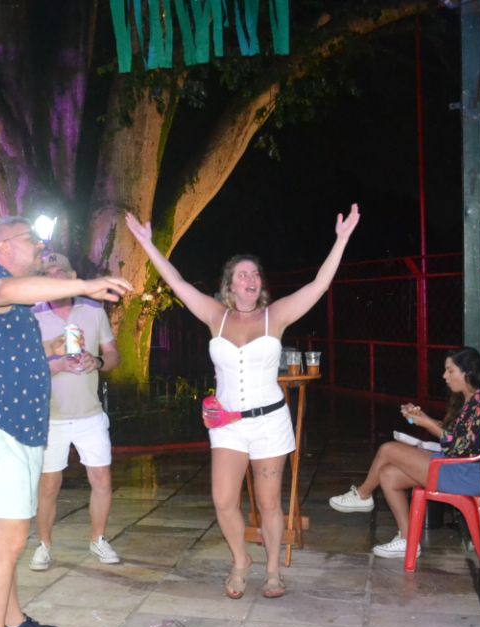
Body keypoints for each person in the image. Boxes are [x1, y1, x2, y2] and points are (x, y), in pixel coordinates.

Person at [125, 205, 361, 599]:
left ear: (259, 284)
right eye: (241, 275)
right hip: (228, 425)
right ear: (230, 285)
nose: (249, 279)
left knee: (268, 503)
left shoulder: (275, 316)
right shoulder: (215, 315)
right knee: (222, 500)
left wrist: (342, 239)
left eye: (254, 274)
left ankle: (272, 571)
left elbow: (319, 285)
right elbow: (177, 282)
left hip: (269, 423)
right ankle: (240, 561)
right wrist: (148, 245)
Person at [0, 216, 132, 627]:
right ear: (4, 246)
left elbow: (18, 358)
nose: (40, 246)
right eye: (32, 240)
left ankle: (12, 622)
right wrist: (88, 284)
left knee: (1, 536)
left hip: (17, 430)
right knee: (10, 540)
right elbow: (8, 291)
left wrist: (52, 351)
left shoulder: (12, 307)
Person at [328, 346, 480, 558]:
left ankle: (363, 495)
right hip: (457, 467)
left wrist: (426, 423)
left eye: (450, 371)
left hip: (466, 474)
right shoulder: (472, 399)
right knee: (388, 474)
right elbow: (456, 437)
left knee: (388, 449)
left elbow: (459, 446)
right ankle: (407, 541)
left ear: (467, 372)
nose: (444, 376)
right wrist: (422, 417)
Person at [29, 252, 123, 571]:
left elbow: (113, 354)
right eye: (47, 273)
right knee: (48, 486)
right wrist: (57, 366)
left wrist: (97, 361)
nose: (53, 277)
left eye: (59, 272)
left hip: (89, 414)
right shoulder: (33, 314)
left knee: (102, 479)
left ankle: (98, 539)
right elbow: (25, 366)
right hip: (50, 417)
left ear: (72, 278)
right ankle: (43, 545)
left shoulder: (93, 310)